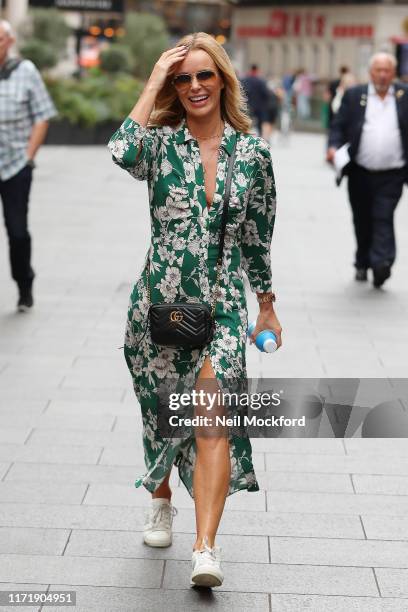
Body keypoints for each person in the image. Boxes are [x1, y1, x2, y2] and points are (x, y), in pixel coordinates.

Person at [108, 32, 282, 587]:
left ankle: (205, 550)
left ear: (224, 80)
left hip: (225, 306)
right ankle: (160, 498)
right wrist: (155, 76)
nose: (194, 86)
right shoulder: (159, 144)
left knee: (210, 420)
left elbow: (257, 235)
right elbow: (121, 150)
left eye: (204, 75)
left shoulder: (252, 154)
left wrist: (266, 305)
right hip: (160, 303)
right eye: (183, 78)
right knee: (162, 413)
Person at [327, 52, 408, 287]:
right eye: (378, 70)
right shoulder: (355, 95)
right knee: (362, 219)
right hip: (360, 171)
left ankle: (382, 263)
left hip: (393, 173)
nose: (382, 75)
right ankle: (362, 261)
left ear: (393, 73)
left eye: (387, 70)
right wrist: (333, 147)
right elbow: (338, 126)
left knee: (383, 216)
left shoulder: (403, 96)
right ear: (370, 72)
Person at [0, 20, 57, 311]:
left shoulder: (25, 71)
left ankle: (24, 285)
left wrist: (28, 157)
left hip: (13, 167)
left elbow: (42, 115)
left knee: (17, 231)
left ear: (8, 42)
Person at [240, 64, 270, 136]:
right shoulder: (261, 81)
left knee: (247, 122)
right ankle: (260, 136)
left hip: (248, 105)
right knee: (260, 123)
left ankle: (246, 136)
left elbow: (242, 92)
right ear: (257, 70)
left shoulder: (245, 80)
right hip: (260, 106)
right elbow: (266, 94)